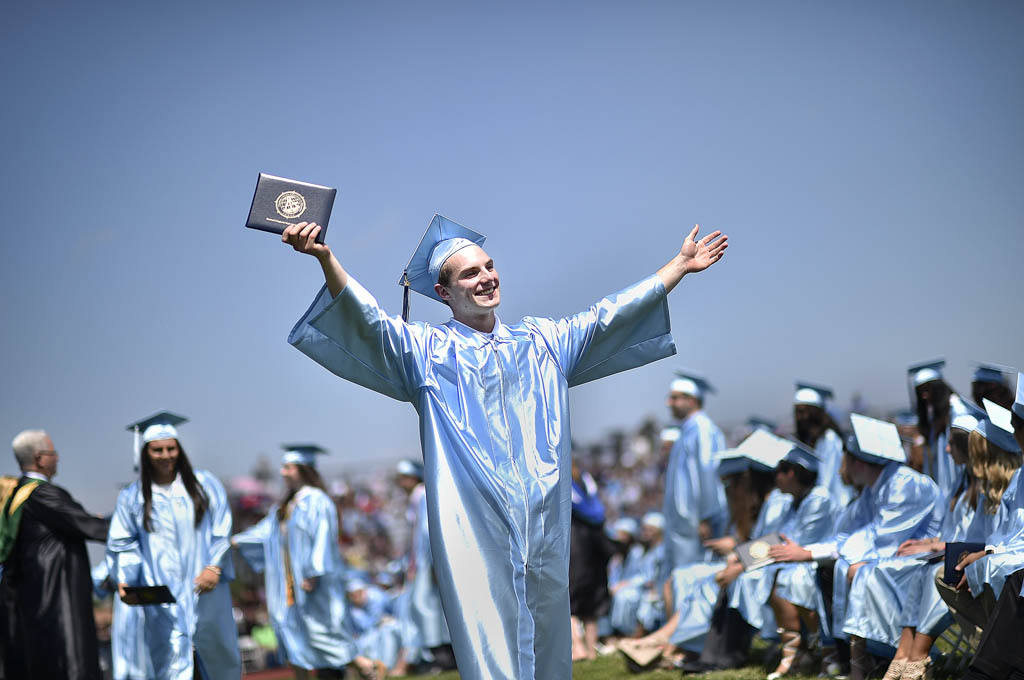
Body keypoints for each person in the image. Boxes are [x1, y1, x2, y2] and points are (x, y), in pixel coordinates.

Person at [282, 214, 728, 680]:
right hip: (474, 532)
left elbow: (608, 316)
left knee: (549, 641)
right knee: (491, 645)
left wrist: (677, 267)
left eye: (489, 266)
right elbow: (368, 321)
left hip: (544, 528)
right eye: (470, 273)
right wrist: (326, 259)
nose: (486, 278)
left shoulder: (544, 343)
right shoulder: (427, 354)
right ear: (443, 293)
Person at [107, 412, 241, 680]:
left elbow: (221, 529)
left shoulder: (204, 484)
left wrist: (214, 567)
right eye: (157, 450)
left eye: (171, 448)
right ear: (146, 453)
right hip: (162, 596)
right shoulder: (133, 497)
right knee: (171, 665)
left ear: (179, 450)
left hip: (205, 589)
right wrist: (124, 579)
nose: (166, 455)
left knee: (217, 660)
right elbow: (123, 543)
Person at [232, 444, 380, 680]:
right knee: (290, 630)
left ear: (303, 469)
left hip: (313, 583)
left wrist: (314, 571)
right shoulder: (286, 504)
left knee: (321, 632)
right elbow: (266, 532)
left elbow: (323, 537)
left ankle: (363, 664)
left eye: (288, 467)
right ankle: (308, 676)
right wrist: (237, 541)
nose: (283, 473)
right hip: (288, 586)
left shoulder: (317, 500)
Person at [0, 429, 110, 680]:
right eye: (53, 453)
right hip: (54, 599)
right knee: (67, 664)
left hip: (29, 601)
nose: (58, 458)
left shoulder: (14, 495)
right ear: (40, 458)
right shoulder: (42, 493)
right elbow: (86, 525)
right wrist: (135, 524)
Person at [661, 371, 727, 589]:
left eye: (675, 397)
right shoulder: (686, 431)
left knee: (695, 582)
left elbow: (708, 472)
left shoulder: (702, 429)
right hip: (682, 525)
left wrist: (706, 516)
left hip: (696, 523)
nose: (669, 403)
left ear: (691, 400)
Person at [393, 459, 451, 672]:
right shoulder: (417, 495)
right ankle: (437, 656)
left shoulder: (421, 494)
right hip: (422, 563)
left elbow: (427, 531)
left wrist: (434, 563)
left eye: (404, 477)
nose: (401, 482)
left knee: (429, 609)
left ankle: (442, 657)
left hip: (427, 563)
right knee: (427, 609)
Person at [568, 458, 615, 661]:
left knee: (573, 598)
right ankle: (589, 648)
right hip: (594, 546)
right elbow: (597, 512)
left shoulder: (566, 484)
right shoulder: (588, 484)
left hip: (576, 545)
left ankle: (578, 647)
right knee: (591, 601)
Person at [793, 381, 851, 506]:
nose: (799, 417)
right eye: (796, 412)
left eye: (802, 412)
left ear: (813, 412)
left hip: (834, 504)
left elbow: (827, 481)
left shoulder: (829, 439)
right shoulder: (811, 439)